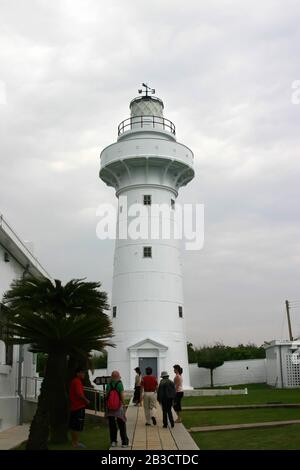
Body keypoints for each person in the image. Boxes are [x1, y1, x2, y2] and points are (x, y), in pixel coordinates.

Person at [105, 370, 129, 448]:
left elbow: (107, 395)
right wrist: (124, 404)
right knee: (121, 424)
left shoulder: (108, 385)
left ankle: (113, 441)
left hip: (110, 408)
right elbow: (121, 396)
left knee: (112, 425)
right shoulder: (120, 384)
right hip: (118, 407)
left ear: (112, 377)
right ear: (118, 377)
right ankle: (124, 442)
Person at [69, 367, 90, 448]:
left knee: (73, 425)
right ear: (78, 373)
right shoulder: (77, 382)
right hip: (78, 407)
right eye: (82, 372)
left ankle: (74, 442)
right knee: (77, 426)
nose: (84, 374)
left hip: (74, 407)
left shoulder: (75, 381)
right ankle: (76, 443)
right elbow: (79, 394)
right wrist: (86, 400)